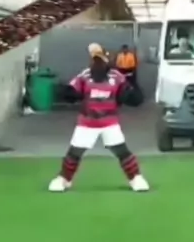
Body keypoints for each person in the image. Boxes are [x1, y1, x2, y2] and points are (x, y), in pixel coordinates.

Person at [48, 43, 149, 193]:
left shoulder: (117, 77)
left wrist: (131, 93)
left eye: (101, 58)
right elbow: (72, 93)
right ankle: (64, 179)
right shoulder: (84, 76)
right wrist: (64, 91)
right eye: (95, 59)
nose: (98, 62)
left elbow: (131, 96)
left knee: (122, 151)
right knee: (75, 153)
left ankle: (136, 178)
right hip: (87, 122)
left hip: (109, 122)